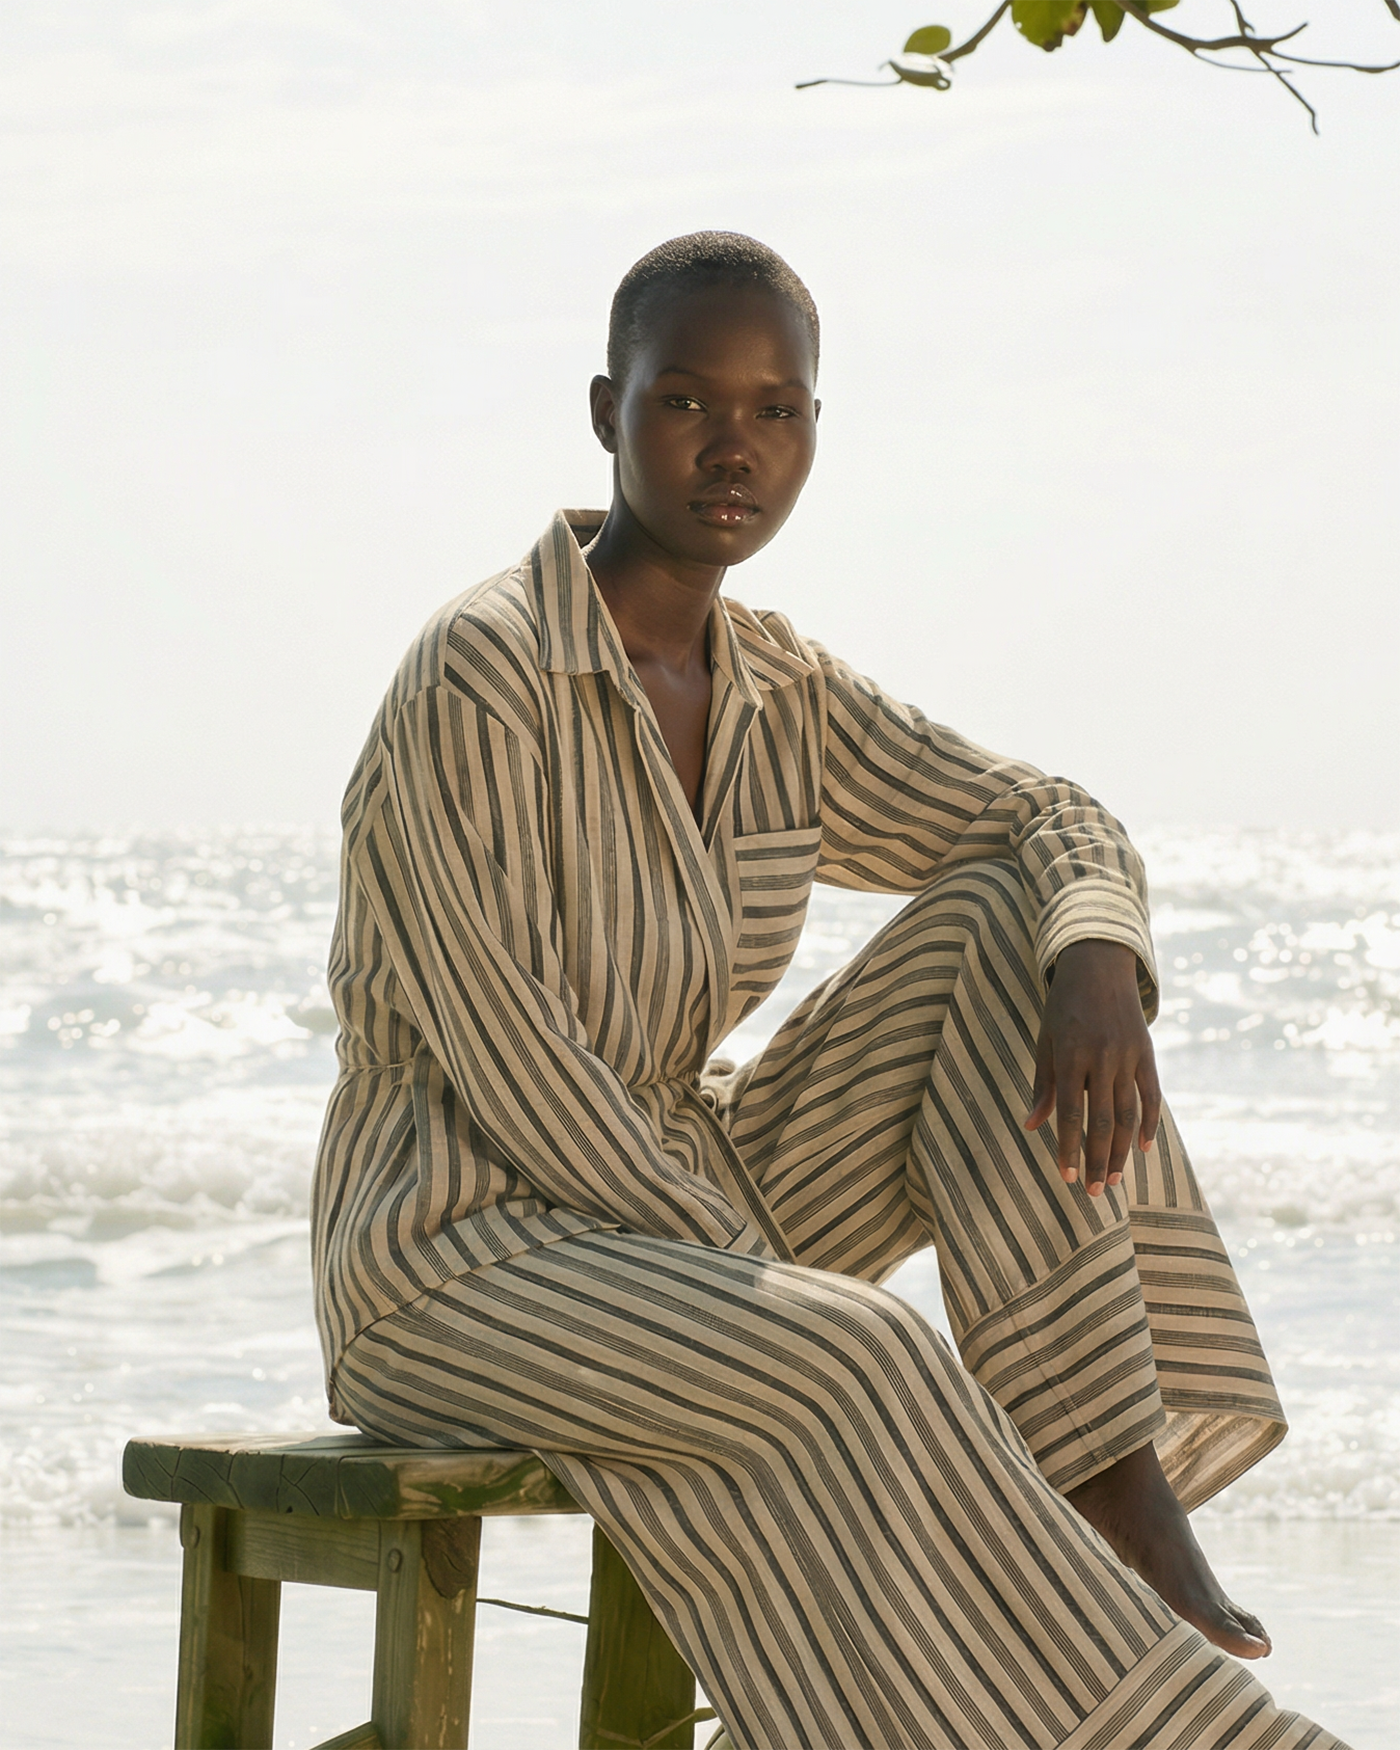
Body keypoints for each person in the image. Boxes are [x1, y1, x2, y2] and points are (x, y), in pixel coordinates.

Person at [312, 233, 1345, 1749]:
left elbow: (1037, 807)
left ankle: (1107, 1477)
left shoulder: (780, 689)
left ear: (812, 431)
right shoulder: (484, 672)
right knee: (861, 1349)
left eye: (778, 409)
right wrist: (760, 1278)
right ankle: (1147, 1720)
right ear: (608, 410)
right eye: (687, 402)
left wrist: (1097, 954)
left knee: (1007, 911)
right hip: (456, 1249)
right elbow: (517, 1068)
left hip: (682, 1195)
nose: (736, 445)